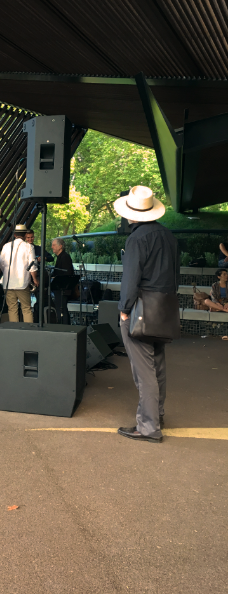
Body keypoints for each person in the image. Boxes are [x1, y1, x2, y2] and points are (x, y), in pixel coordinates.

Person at [115, 186, 179, 443]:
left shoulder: (136, 239)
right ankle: (157, 415)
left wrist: (124, 309)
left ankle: (149, 426)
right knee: (158, 365)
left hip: (140, 309)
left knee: (144, 370)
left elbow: (131, 279)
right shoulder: (169, 237)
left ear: (131, 214)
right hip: (164, 307)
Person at [0, 224, 39, 322]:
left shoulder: (6, 246)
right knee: (26, 309)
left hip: (8, 283)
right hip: (22, 283)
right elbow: (32, 265)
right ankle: (28, 334)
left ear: (15, 234)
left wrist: (8, 273)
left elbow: (1, 263)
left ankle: (14, 334)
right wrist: (35, 279)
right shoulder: (29, 247)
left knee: (12, 309)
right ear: (25, 234)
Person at [51, 238, 74, 324]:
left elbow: (67, 273)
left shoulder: (65, 257)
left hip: (63, 288)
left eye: (54, 245)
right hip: (60, 287)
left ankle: (65, 326)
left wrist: (55, 277)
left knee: (62, 308)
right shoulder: (60, 257)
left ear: (60, 246)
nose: (52, 247)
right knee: (61, 307)